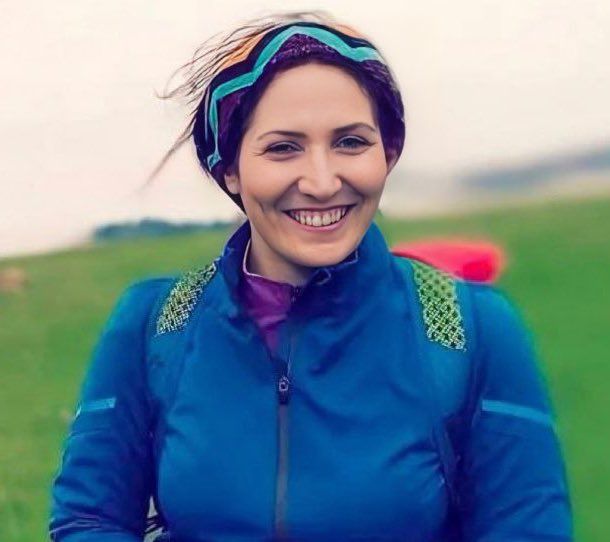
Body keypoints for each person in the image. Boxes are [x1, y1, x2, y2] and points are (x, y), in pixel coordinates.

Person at [49, 10, 573, 541]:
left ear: (388, 153)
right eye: (283, 148)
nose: (322, 183)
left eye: (351, 142)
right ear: (229, 169)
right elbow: (90, 519)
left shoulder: (469, 328)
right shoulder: (156, 325)